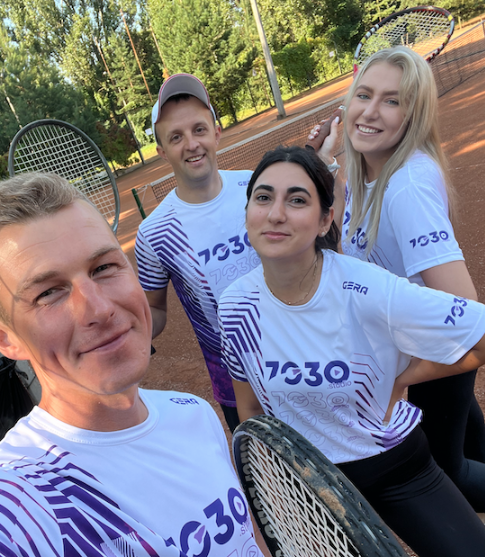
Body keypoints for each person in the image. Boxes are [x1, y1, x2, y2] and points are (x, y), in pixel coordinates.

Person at [0, 173, 265, 557]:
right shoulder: (19, 502)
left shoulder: (194, 414)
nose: (99, 308)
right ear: (4, 338)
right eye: (48, 292)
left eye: (103, 267)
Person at [218, 145, 485, 557]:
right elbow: (251, 408)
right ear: (248, 210)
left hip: (394, 466)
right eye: (264, 197)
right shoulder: (234, 306)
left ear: (325, 219)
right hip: (312, 486)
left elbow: (479, 334)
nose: (276, 214)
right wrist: (278, 488)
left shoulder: (366, 288)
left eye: (297, 200)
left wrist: (402, 378)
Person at [312, 45, 485, 509]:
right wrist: (329, 163)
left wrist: (398, 379)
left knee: (450, 474)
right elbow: (350, 231)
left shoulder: (406, 186)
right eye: (364, 94)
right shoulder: (373, 169)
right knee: (473, 450)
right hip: (425, 349)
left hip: (436, 357)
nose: (370, 111)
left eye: (392, 101)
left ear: (413, 115)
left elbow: (470, 322)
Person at [135, 73, 258, 432]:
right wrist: (130, 330)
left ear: (216, 132)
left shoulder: (258, 187)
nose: (191, 144)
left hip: (304, 361)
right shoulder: (153, 233)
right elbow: (155, 309)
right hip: (236, 384)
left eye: (199, 129)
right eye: (176, 137)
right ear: (162, 151)